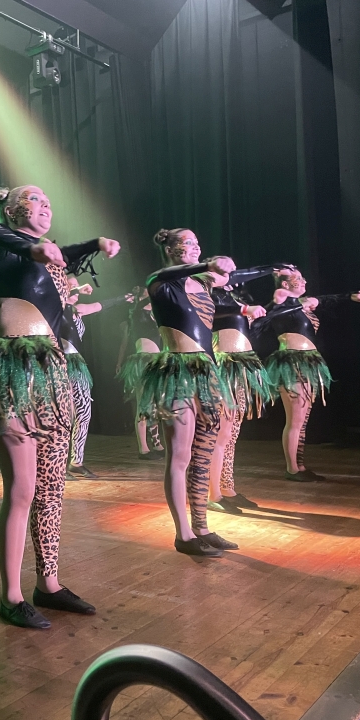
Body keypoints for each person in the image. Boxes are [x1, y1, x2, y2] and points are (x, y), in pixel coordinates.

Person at [0, 183, 120, 629]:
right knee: (22, 490)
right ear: (12, 210)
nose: (45, 206)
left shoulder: (49, 257)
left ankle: (48, 584)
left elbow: (64, 253)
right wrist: (33, 248)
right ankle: (10, 597)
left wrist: (94, 243)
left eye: (49, 202)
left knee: (51, 489)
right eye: (35, 200)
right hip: (12, 373)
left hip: (52, 375)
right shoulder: (0, 245)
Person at [139, 228, 236, 557]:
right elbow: (172, 273)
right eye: (187, 243)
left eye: (197, 242)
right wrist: (210, 264)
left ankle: (202, 527)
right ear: (169, 248)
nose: (195, 247)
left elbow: (232, 277)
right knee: (180, 455)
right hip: (176, 373)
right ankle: (183, 534)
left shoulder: (204, 283)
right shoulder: (159, 281)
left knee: (204, 454)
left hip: (207, 374)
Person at [260, 269, 360, 481]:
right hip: (292, 361)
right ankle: (292, 468)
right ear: (285, 285)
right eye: (298, 278)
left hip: (309, 361)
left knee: (302, 419)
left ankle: (299, 466)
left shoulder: (302, 303)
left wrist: (350, 296)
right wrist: (279, 297)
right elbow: (268, 311)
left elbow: (326, 300)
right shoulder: (281, 303)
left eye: (303, 277)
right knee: (295, 419)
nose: (304, 281)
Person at [207, 265, 284, 512]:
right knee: (221, 433)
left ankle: (228, 488)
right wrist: (243, 309)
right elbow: (213, 310)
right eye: (223, 267)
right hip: (225, 366)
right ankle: (213, 494)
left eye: (232, 268)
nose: (230, 272)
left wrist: (272, 305)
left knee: (232, 433)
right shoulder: (206, 294)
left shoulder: (232, 298)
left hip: (242, 366)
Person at [62, 278, 127, 479]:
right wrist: (76, 289)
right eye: (70, 284)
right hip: (57, 363)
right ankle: (56, 463)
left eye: (77, 285)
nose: (75, 289)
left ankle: (76, 461)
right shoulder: (53, 307)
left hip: (77, 364)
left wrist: (123, 298)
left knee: (83, 413)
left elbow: (100, 305)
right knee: (61, 414)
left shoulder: (77, 310)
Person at [116, 287, 165, 459]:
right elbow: (124, 343)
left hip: (157, 362)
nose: (149, 294)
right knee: (143, 404)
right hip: (143, 362)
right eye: (146, 292)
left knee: (154, 405)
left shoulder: (155, 316)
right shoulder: (137, 313)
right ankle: (143, 448)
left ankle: (157, 443)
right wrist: (119, 362)